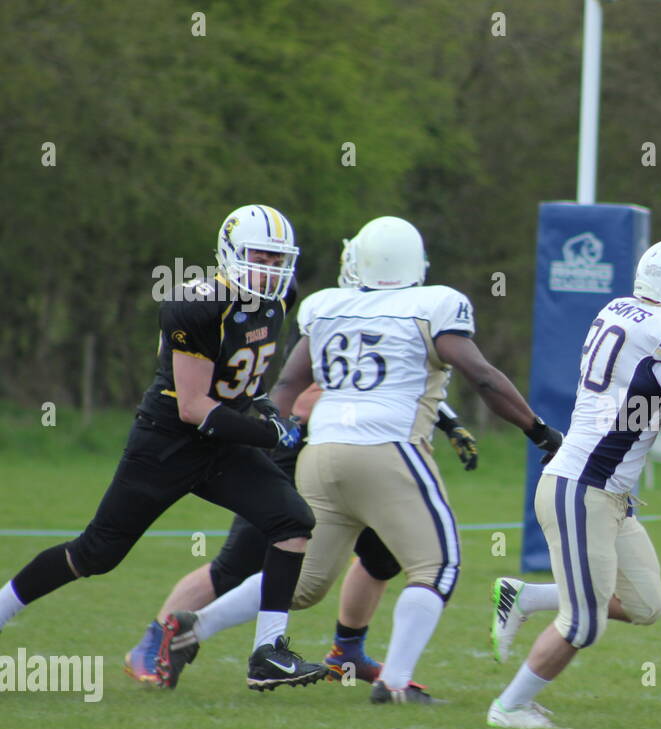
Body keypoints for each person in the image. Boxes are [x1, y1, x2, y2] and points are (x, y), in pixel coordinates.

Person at [159, 215, 561, 704]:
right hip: (388, 450)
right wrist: (538, 431)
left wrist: (264, 443)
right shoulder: (434, 304)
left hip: (321, 454)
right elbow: (483, 377)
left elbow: (285, 385)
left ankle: (192, 627)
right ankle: (394, 685)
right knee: (438, 568)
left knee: (301, 584)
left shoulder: (328, 307)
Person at [0, 205, 330, 691]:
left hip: (224, 440)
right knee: (96, 553)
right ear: (231, 253)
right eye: (261, 255)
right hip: (169, 441)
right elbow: (194, 406)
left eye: (279, 259)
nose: (271, 268)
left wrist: (266, 411)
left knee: (293, 522)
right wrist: (269, 433)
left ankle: (268, 653)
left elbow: (243, 377)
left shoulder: (280, 299)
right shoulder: (195, 304)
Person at [124, 239, 479, 688]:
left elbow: (387, 380)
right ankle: (156, 641)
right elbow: (304, 392)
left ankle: (346, 651)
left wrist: (445, 421)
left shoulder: (347, 310)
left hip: (353, 461)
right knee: (239, 567)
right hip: (295, 455)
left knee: (380, 557)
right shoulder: (326, 314)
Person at [487, 237, 661, 729]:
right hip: (583, 491)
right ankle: (509, 707)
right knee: (583, 622)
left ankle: (526, 596)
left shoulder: (620, 309)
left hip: (605, 492)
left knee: (645, 603)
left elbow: (648, 401)